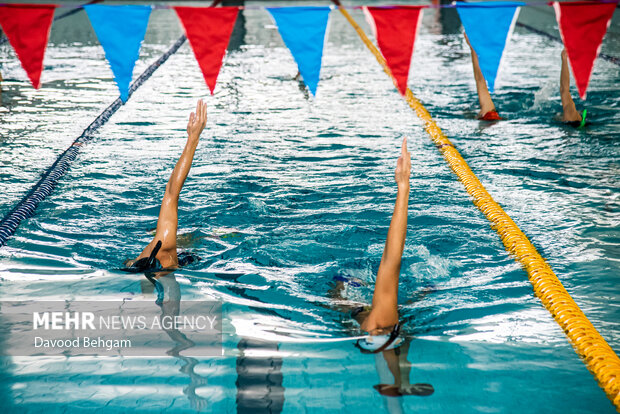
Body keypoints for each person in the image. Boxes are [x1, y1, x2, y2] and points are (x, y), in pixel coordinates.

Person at [123, 99, 207, 272]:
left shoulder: (163, 249)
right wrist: (193, 139)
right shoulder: (164, 248)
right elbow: (171, 192)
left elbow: (171, 193)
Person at [349, 136, 411, 352]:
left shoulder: (381, 322)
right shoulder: (383, 325)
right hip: (355, 313)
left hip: (350, 296)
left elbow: (390, 262)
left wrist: (403, 188)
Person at [465, 34, 502, 121]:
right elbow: (479, 79)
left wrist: (472, 47)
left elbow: (479, 79)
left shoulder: (487, 109)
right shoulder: (488, 108)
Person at [560, 48, 587, 128]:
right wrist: (564, 59)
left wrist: (564, 59)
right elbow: (564, 90)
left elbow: (564, 90)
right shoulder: (569, 116)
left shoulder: (569, 116)